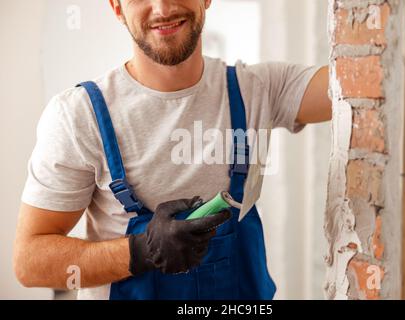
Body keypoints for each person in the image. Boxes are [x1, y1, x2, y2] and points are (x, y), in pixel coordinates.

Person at [13, 0, 332, 300]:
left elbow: (363, 84)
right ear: (117, 7)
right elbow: (30, 261)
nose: (162, 9)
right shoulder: (80, 116)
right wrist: (141, 251)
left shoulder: (259, 90)